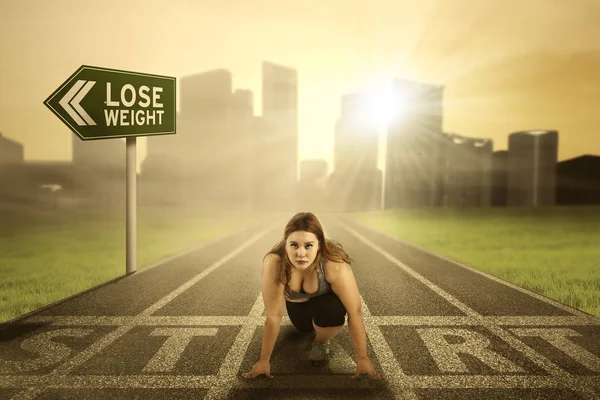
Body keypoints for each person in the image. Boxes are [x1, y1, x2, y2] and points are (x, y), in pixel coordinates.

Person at [242, 212, 383, 380]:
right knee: (304, 328)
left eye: (308, 246)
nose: (301, 253)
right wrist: (264, 360)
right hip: (299, 312)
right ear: (285, 245)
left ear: (319, 245)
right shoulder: (275, 262)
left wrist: (362, 358)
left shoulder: (334, 264)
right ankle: (311, 329)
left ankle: (321, 343)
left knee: (331, 309)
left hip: (327, 309)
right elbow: (273, 315)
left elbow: (355, 312)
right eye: (294, 245)